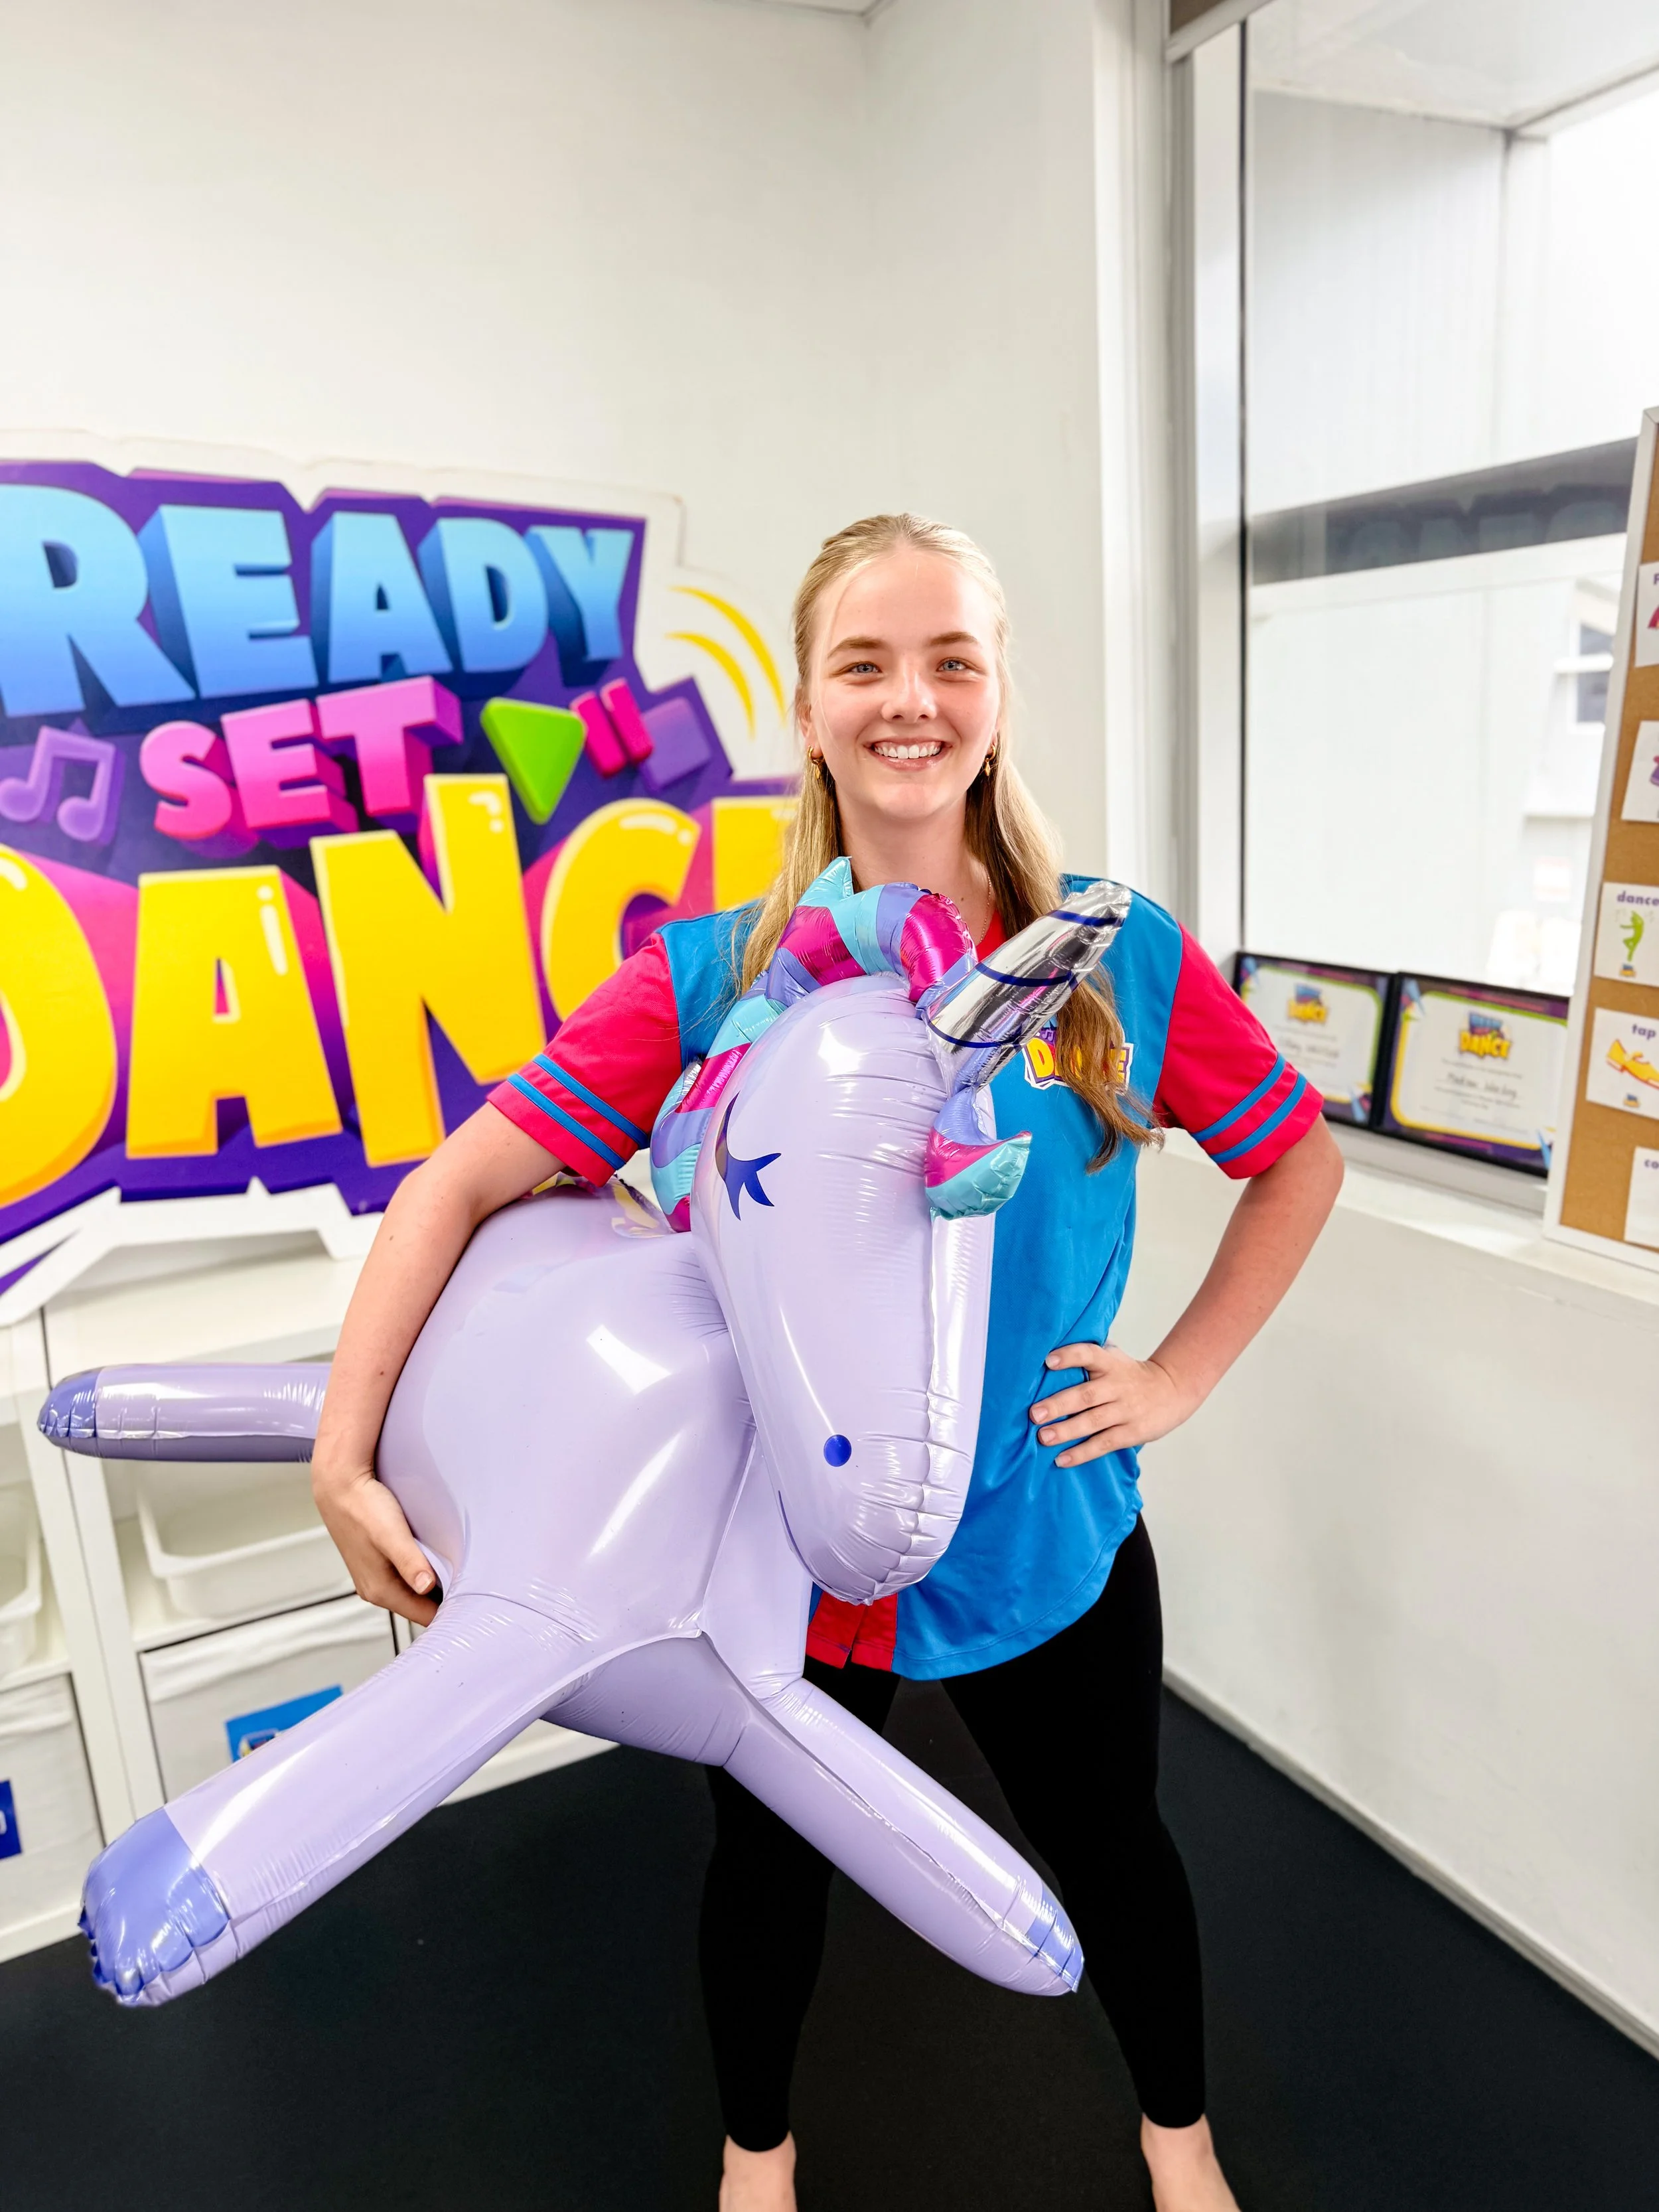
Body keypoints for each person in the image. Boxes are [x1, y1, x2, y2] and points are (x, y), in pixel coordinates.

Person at [312, 513, 1343, 2212]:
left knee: (1112, 1851)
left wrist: (1176, 1376)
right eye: (863, 664)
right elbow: (459, 1182)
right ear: (805, 708)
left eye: (950, 660)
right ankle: (757, 2160)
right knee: (768, 1865)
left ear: (997, 698)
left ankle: (1182, 2146)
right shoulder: (715, 972)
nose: (908, 700)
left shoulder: (1112, 961)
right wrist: (343, 1451)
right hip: (786, 1548)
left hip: (1037, 1522)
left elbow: (1295, 1157)